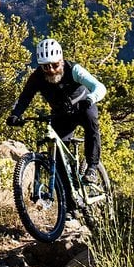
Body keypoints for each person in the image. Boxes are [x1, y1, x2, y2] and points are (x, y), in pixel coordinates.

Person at [6, 38, 107, 186]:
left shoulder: (73, 69)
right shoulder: (37, 77)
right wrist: (16, 114)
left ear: (61, 60)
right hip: (61, 114)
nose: (52, 70)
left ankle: (92, 167)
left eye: (55, 65)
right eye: (46, 67)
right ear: (41, 66)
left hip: (83, 106)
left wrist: (91, 99)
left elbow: (99, 87)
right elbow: (25, 98)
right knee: (57, 155)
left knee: (92, 125)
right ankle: (70, 204)